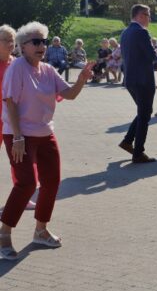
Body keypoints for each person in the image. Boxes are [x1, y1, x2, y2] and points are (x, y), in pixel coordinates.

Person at [0, 21, 94, 260]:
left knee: (51, 182)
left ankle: (40, 231)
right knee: (26, 184)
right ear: (23, 46)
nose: (42, 46)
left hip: (44, 134)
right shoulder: (17, 68)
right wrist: (18, 137)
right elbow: (9, 102)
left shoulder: (48, 70)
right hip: (19, 135)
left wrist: (82, 78)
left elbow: (69, 95)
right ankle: (4, 234)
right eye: (36, 42)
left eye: (43, 41)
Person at [0, 25, 37, 211]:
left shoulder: (17, 64)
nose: (10, 43)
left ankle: (22, 195)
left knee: (18, 158)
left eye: (12, 40)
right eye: (5, 40)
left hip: (12, 120)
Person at [119, 4, 157, 163]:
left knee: (144, 112)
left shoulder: (125, 32)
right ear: (140, 15)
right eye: (148, 15)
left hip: (130, 79)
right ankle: (138, 152)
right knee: (144, 114)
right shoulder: (141, 32)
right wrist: (155, 49)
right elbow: (151, 57)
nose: (149, 18)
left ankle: (128, 141)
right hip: (143, 80)